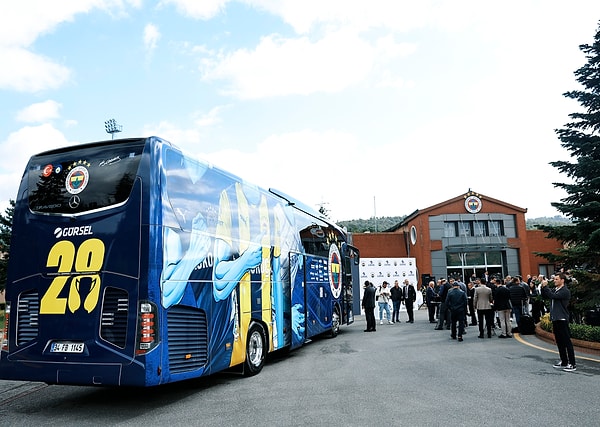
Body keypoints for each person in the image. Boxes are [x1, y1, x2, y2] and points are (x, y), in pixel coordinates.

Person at [541, 273, 576, 371]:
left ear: (562, 280)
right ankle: (564, 361)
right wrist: (543, 287)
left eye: (556, 279)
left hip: (562, 319)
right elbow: (546, 295)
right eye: (554, 279)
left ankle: (572, 364)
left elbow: (552, 296)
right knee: (559, 342)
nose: (554, 280)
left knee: (567, 342)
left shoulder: (565, 291)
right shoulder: (556, 290)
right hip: (555, 319)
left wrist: (546, 287)